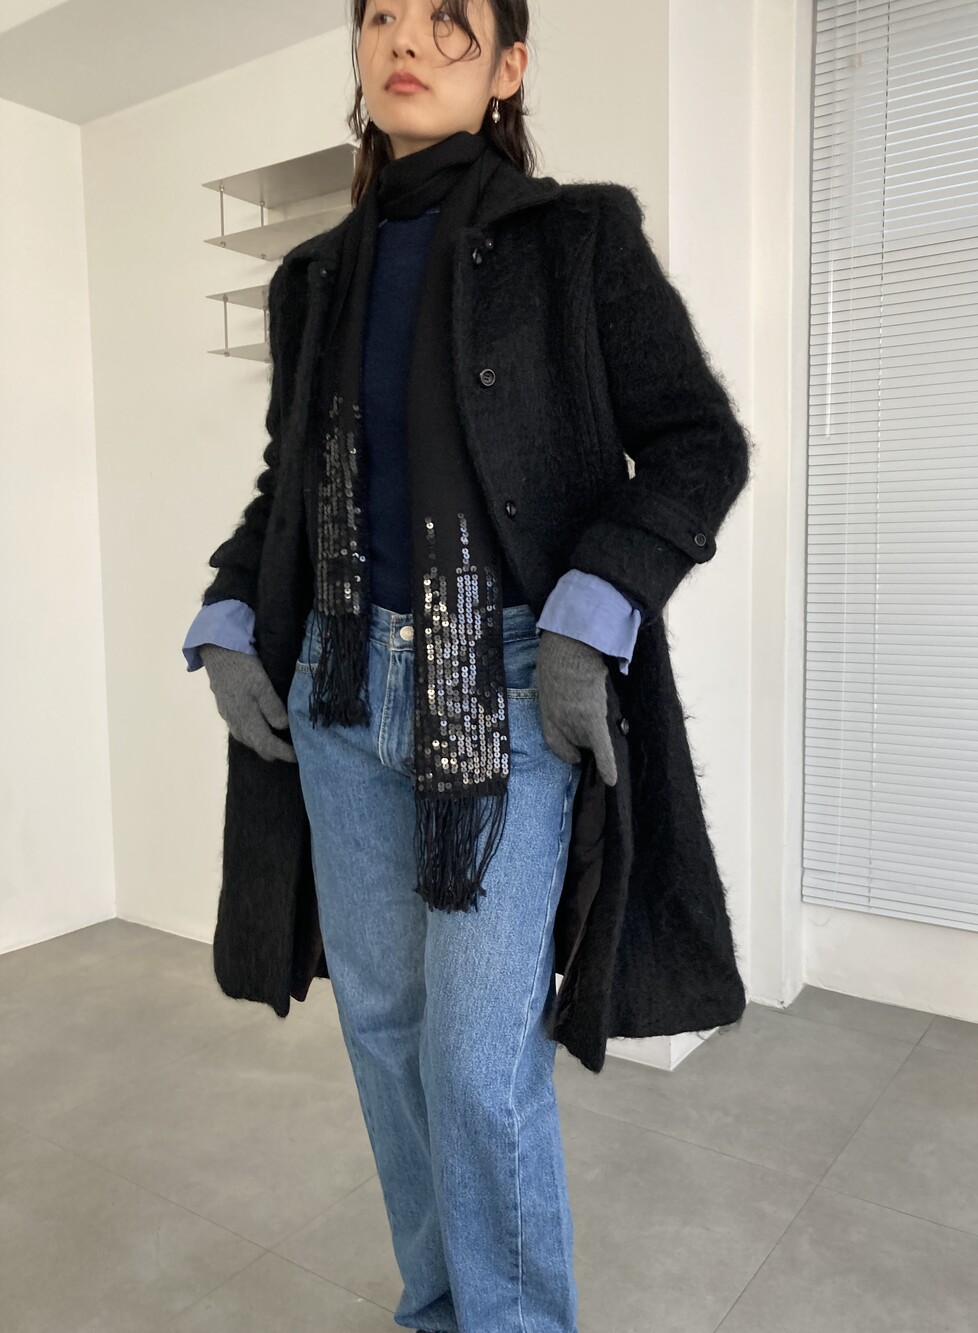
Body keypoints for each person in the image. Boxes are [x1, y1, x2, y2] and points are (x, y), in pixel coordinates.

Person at [183, 3, 752, 1330]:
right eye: (382, 17)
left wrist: (592, 610)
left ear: (508, 67)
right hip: (337, 698)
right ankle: (439, 1307)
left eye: (448, 23)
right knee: (385, 1033)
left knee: (479, 1058)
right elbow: (288, 494)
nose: (407, 40)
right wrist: (226, 614)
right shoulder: (312, 277)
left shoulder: (578, 239)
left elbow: (696, 443)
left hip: (501, 692)